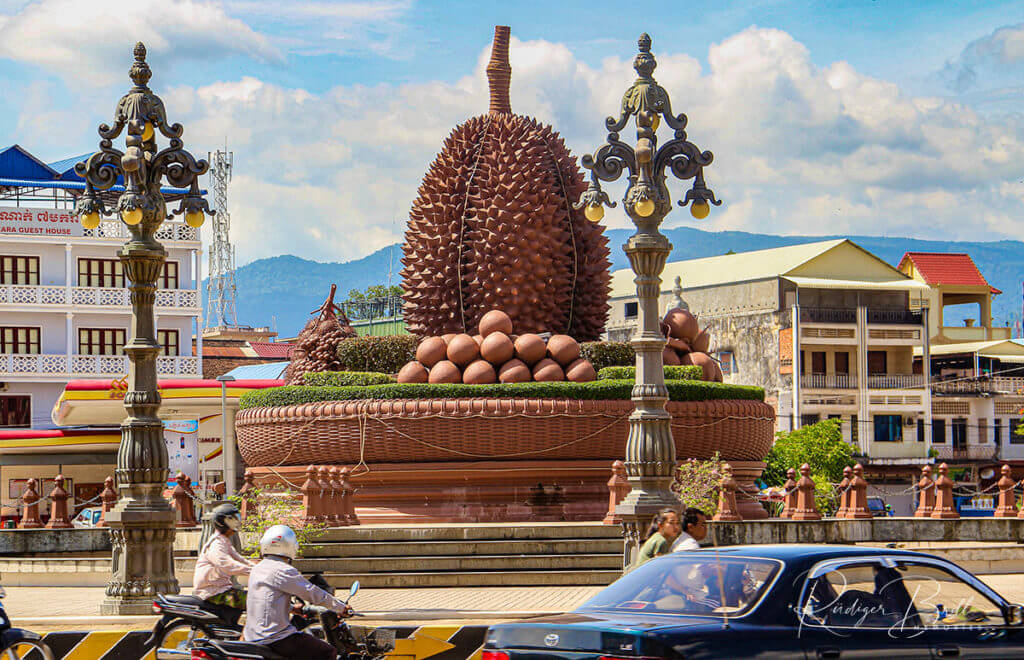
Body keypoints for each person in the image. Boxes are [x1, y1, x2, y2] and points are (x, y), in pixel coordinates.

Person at [243, 524, 352, 659]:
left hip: (252, 635)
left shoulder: (257, 568)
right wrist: (341, 607)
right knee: (327, 652)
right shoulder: (283, 570)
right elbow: (312, 593)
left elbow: (265, 599)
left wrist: (292, 608)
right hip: (275, 638)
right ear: (290, 546)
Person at [192, 503, 253, 624]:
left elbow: (239, 559)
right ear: (222, 522)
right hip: (212, 592)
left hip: (220, 588)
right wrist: (252, 571)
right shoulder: (216, 544)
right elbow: (227, 564)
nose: (237, 522)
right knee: (257, 600)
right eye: (232, 519)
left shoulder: (224, 541)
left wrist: (260, 568)